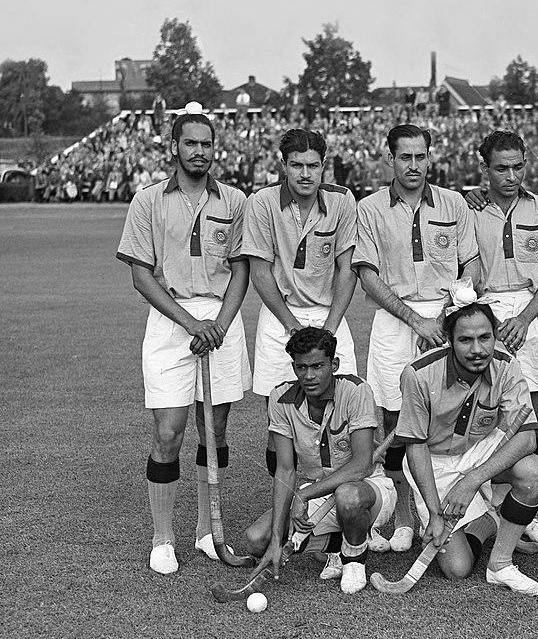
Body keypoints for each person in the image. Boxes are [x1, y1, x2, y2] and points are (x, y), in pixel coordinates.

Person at [116, 111, 250, 575]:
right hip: (172, 321)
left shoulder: (235, 200)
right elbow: (141, 275)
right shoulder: (148, 200)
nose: (199, 151)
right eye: (190, 143)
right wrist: (192, 323)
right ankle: (163, 538)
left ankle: (206, 532)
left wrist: (219, 324)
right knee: (168, 432)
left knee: (215, 430)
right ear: (174, 147)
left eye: (206, 144)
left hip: (222, 321)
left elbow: (242, 269)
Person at [353, 124, 482, 552]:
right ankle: (405, 517)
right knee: (394, 420)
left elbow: (472, 264)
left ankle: (450, 508)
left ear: (430, 157)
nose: (413, 165)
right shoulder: (370, 207)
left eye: (420, 156)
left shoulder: (454, 202)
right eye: (405, 157)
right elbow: (367, 275)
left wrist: (444, 317)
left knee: (449, 415)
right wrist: (415, 320)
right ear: (389, 159)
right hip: (395, 322)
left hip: (447, 317)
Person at [396, 303, 538, 596]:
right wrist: (435, 513)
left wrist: (472, 481)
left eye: (485, 338)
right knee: (457, 569)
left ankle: (500, 563)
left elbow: (528, 438)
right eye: (465, 340)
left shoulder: (506, 365)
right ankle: (491, 520)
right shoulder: (417, 373)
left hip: (481, 449)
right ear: (450, 340)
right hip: (434, 459)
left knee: (532, 471)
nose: (477, 349)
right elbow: (415, 447)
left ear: (494, 336)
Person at [242, 129, 359, 482]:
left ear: (324, 166)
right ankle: (288, 502)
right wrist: (292, 325)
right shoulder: (262, 202)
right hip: (280, 318)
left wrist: (331, 327)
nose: (305, 174)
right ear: (283, 165)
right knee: (280, 419)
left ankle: (337, 502)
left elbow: (347, 268)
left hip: (329, 317)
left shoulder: (342, 200)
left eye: (313, 165)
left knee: (344, 411)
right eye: (296, 165)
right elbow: (260, 271)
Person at [242, 328, 396, 594]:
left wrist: (303, 495)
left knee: (348, 496)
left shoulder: (356, 390)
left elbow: (361, 465)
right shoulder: (280, 398)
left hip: (368, 489)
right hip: (320, 493)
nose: (309, 376)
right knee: (256, 541)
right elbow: (285, 470)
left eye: (317, 366)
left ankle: (354, 557)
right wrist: (277, 539)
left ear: (333, 364)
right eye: (301, 367)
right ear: (294, 367)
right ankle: (336, 542)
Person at [468, 130, 538, 545]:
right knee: (488, 413)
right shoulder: (469, 208)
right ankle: (490, 508)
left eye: (517, 167)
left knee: (530, 415)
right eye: (501, 168)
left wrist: (525, 318)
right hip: (485, 309)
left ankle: (524, 513)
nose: (511, 176)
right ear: (484, 168)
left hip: (531, 312)